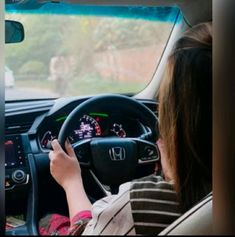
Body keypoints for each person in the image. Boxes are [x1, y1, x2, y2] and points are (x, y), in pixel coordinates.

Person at [39, 21, 212, 235]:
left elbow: (84, 231)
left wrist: (71, 180)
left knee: (49, 221)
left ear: (177, 125)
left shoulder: (139, 203)